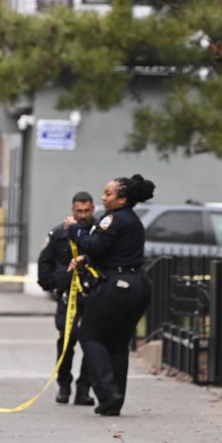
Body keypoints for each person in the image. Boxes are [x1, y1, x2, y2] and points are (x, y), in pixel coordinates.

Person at [65, 175, 154, 417]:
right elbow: (112, 251)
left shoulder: (114, 219)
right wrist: (87, 259)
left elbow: (94, 245)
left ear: (122, 199)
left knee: (89, 336)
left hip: (117, 286)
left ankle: (106, 391)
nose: (103, 198)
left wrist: (74, 229)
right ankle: (115, 399)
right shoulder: (132, 220)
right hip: (138, 285)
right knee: (116, 344)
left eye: (108, 194)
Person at [38, 191, 97, 405]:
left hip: (92, 293)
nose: (83, 215)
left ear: (93, 209)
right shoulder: (58, 233)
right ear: (72, 210)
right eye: (79, 211)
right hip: (66, 294)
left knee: (91, 342)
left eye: (87, 211)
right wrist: (52, 286)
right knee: (66, 340)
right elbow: (45, 262)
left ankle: (83, 390)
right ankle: (64, 386)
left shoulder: (98, 232)